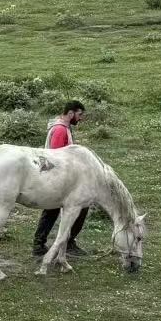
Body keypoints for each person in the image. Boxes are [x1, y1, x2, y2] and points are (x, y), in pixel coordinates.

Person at [33, 99, 90, 258]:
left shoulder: (63, 128)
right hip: (57, 178)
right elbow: (56, 158)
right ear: (71, 113)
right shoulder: (60, 130)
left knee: (53, 210)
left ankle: (40, 244)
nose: (80, 118)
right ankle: (64, 242)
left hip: (58, 176)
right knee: (76, 206)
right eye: (79, 114)